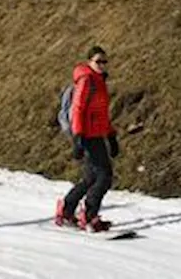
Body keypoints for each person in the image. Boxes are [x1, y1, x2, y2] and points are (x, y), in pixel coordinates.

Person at [55, 46, 119, 232]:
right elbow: (78, 109)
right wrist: (78, 137)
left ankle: (67, 209)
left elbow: (101, 113)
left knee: (91, 177)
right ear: (89, 62)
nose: (102, 65)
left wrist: (111, 135)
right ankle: (89, 215)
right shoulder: (87, 80)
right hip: (87, 135)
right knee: (104, 177)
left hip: (97, 134)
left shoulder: (99, 81)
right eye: (98, 61)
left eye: (104, 62)